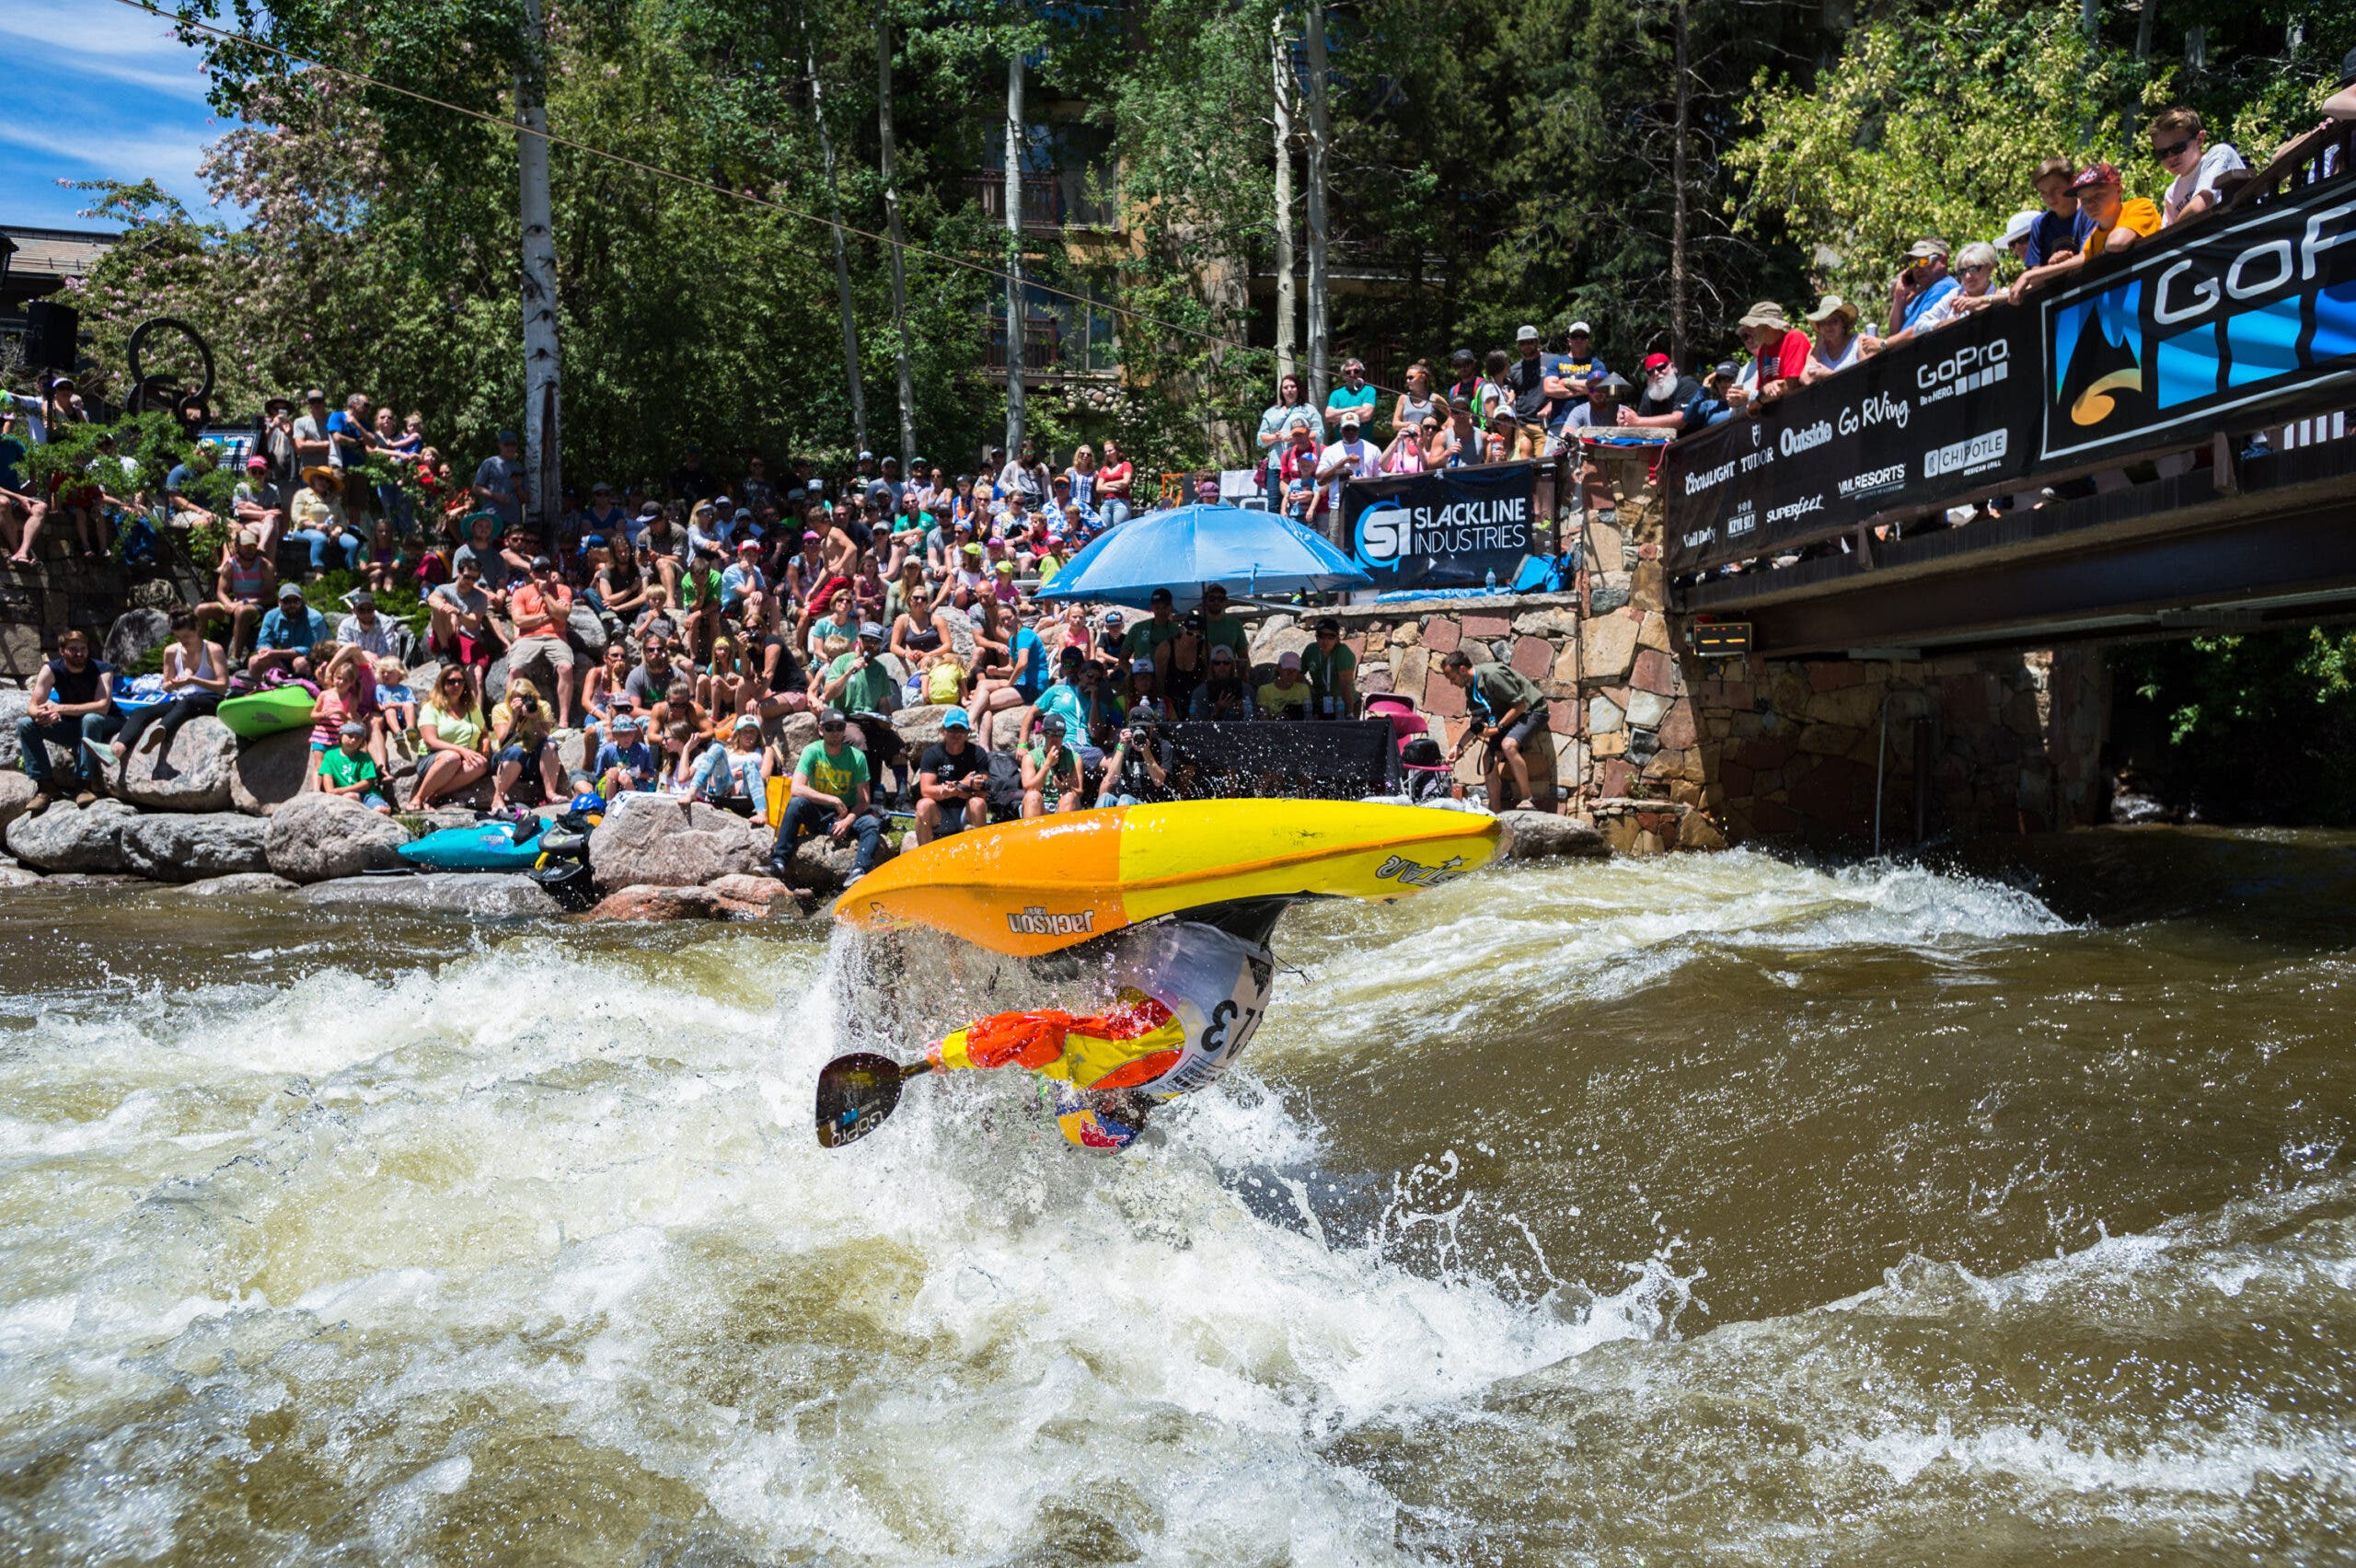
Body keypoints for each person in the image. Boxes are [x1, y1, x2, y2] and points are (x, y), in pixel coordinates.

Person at [917, 907, 1280, 1150]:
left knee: (1104, 989)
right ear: (1107, 1099)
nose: (1082, 1087)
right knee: (1045, 964)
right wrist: (953, 1052)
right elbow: (1032, 1035)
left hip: (1254, 941)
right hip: (1206, 921)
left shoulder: (1171, 1088)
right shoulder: (1113, 1070)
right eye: (1086, 1094)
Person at [2010, 163, 2160, 301]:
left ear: (2119, 190)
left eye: (2098, 195)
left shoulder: (2140, 206)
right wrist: (2030, 274)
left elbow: (2117, 242)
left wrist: (2095, 256)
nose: (2090, 204)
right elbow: (2082, 258)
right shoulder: (2095, 237)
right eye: (2084, 199)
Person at [111, 608, 227, 775]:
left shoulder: (213, 650)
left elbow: (223, 685)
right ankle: (117, 749)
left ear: (197, 628)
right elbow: (166, 685)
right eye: (178, 637)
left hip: (209, 699)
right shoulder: (172, 651)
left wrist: (193, 680)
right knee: (142, 712)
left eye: (186, 637)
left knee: (187, 703)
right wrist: (173, 684)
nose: (182, 641)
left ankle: (161, 730)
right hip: (181, 698)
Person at [774, 709, 884, 882]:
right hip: (819, 812)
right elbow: (796, 788)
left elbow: (864, 801)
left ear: (844, 730)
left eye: (839, 727)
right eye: (829, 728)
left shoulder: (857, 757)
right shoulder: (811, 751)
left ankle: (858, 872)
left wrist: (847, 821)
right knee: (796, 804)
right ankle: (779, 862)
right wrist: (832, 800)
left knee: (872, 823)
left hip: (848, 813)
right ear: (820, 730)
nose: (834, 732)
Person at [1438, 647, 1550, 813]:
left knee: (1508, 745)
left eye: (1452, 678)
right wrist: (1458, 747)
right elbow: (1478, 723)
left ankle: (1527, 799)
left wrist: (1498, 727)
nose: (1451, 683)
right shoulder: (1471, 687)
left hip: (1532, 711)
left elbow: (1520, 704)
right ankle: (1495, 811)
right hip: (1506, 718)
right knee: (1488, 760)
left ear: (1462, 670)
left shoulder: (1493, 675)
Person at [17, 628, 119, 810]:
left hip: (107, 723)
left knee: (90, 719)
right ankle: (45, 787)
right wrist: (42, 715)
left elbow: (102, 706)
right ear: (62, 651)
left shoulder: (103, 669)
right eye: (73, 649)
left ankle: (83, 784)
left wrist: (61, 709)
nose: (79, 653)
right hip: (74, 728)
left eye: (83, 649)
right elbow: (32, 706)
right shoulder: (51, 669)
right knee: (26, 724)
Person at [506, 556, 578, 726]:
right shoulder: (521, 592)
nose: (543, 574)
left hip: (555, 637)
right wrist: (548, 617)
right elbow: (519, 621)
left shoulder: (562, 590)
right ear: (531, 573)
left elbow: (562, 615)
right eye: (538, 571)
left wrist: (545, 593)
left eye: (546, 570)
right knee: (514, 670)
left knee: (566, 667)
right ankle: (511, 718)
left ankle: (563, 721)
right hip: (527, 638)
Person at [2152, 107, 2245, 226]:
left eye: (2177, 148)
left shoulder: (2219, 154)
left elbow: (2199, 206)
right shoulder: (2172, 193)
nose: (2171, 157)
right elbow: (2165, 232)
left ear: (2199, 139)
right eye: (2162, 153)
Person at [915, 706, 993, 844]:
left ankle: (981, 849)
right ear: (943, 731)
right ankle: (924, 854)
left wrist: (956, 791)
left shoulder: (977, 754)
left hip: (966, 814)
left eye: (961, 730)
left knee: (978, 803)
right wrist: (962, 786)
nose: (956, 734)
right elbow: (926, 790)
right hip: (941, 815)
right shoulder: (932, 754)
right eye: (952, 729)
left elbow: (982, 793)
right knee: (923, 805)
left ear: (967, 732)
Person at [415, 667, 491, 807]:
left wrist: (485, 742)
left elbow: (484, 731)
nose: (456, 685)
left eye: (460, 681)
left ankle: (435, 795)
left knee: (480, 763)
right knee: (452, 757)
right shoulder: (431, 708)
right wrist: (462, 750)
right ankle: (418, 797)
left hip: (463, 758)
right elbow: (430, 741)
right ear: (442, 685)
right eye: (451, 682)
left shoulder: (472, 707)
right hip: (434, 758)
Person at [488, 676, 566, 812]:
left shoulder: (542, 707)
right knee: (516, 751)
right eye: (515, 698)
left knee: (551, 744)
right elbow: (502, 741)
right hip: (507, 758)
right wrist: (513, 716)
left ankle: (550, 793)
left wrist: (534, 719)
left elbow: (545, 738)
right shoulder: (499, 709)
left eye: (524, 698)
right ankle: (498, 798)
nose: (520, 702)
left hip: (532, 759)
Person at [201, 528, 275, 658]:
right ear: (237, 547)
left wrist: (243, 603)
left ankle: (235, 657)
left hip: (255, 609)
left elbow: (270, 597)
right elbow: (221, 591)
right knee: (202, 609)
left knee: (242, 611)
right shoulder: (230, 565)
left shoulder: (265, 566)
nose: (250, 550)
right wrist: (228, 604)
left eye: (253, 546)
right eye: (246, 546)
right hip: (234, 607)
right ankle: (195, 651)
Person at [1727, 302, 1812, 412]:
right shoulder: (1764, 350)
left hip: (1803, 412)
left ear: (1768, 326)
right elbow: (1761, 391)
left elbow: (1791, 386)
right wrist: (1763, 394)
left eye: (1753, 325)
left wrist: (1760, 399)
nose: (1749, 331)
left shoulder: (1794, 338)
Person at [689, 713, 771, 820]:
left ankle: (761, 814)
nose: (749, 735)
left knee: (750, 765)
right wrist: (733, 775)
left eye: (752, 731)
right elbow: (714, 781)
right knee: (716, 748)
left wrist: (742, 779)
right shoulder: (728, 750)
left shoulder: (765, 750)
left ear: (758, 735)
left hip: (749, 787)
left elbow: (764, 775)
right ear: (738, 733)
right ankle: (691, 791)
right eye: (745, 731)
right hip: (726, 787)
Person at [287, 466, 364, 575]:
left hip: (332, 532)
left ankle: (350, 573)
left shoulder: (334, 499)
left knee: (353, 543)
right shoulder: (302, 494)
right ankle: (319, 574)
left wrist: (337, 531)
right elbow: (296, 517)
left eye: (327, 481)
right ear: (313, 479)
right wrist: (315, 526)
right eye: (320, 478)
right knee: (320, 538)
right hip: (304, 530)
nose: (324, 482)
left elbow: (342, 521)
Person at [251, 582, 331, 678]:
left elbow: (310, 649)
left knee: (300, 662)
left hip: (314, 661)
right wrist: (264, 650)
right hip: (285, 661)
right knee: (254, 661)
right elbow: (263, 641)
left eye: (296, 600)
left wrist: (274, 653)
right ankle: (257, 690)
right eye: (286, 601)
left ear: (302, 601)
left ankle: (306, 689)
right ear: (279, 602)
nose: (291, 605)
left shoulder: (315, 618)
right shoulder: (271, 616)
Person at [1255, 372, 1324, 483]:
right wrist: (1275, 437)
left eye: (1293, 386)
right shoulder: (1270, 412)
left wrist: (1295, 437)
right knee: (1275, 501)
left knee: (1300, 499)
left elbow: (1319, 433)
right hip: (1275, 466)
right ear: (1281, 391)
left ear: (1298, 389)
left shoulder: (1308, 409)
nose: (1289, 390)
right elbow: (1260, 439)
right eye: (1285, 387)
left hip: (1301, 465)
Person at [1098, 707, 1172, 808]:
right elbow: (1111, 779)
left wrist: (1146, 751)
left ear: (1153, 727)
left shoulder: (1163, 745)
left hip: (1150, 805)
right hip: (1124, 803)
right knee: (1105, 798)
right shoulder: (1122, 745)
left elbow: (1159, 781)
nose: (1140, 732)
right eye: (1136, 728)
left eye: (1144, 727)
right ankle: (1096, 823)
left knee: (1125, 799)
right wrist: (1121, 746)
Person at [314, 720, 392, 813]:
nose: (354, 740)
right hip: (345, 795)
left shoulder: (365, 758)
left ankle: (376, 809)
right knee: (349, 797)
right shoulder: (329, 756)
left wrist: (342, 790)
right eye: (350, 736)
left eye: (358, 738)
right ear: (340, 736)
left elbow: (367, 783)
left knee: (379, 809)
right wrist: (331, 792)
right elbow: (327, 776)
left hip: (367, 794)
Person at [823, 622, 899, 716]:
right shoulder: (841, 661)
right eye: (867, 639)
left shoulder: (880, 669)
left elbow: (883, 702)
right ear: (859, 638)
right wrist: (849, 672)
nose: (871, 644)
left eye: (876, 641)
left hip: (870, 719)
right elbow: (827, 695)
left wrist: (886, 722)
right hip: (846, 719)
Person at [2023, 156, 2085, 271]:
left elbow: (2088, 257)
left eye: (2055, 189)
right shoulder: (2040, 224)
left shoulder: (2089, 212)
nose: (2050, 198)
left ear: (2073, 181)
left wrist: (2058, 265)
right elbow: (2035, 273)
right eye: (2043, 193)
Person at [1314, 415, 1380, 520]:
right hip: (1339, 505)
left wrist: (1365, 481)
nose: (1350, 432)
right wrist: (1344, 461)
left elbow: (1379, 479)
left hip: (1366, 504)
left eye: (1354, 428)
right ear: (1340, 429)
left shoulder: (1372, 450)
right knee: (1336, 536)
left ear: (1359, 429)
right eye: (1347, 428)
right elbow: (1320, 480)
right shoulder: (1330, 451)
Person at [1021, 711, 1084, 817]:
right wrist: (1047, 765)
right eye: (1050, 733)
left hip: (1063, 806)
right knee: (1033, 796)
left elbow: (1079, 792)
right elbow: (1029, 789)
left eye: (1059, 733)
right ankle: (1032, 832)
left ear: (1064, 735)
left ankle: (1064, 833)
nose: (1055, 738)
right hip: (1039, 807)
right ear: (1043, 733)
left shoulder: (1074, 758)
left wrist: (1065, 787)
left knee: (1069, 797)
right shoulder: (1030, 757)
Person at [1622, 354, 1702, 432]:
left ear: (1672, 367)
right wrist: (1626, 422)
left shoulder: (1687, 384)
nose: (1656, 373)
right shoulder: (1648, 394)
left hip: (1693, 442)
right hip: (1662, 444)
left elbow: (1680, 421)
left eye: (1661, 367)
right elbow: (1641, 424)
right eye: (1650, 372)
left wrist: (1637, 421)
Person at [1300, 617, 1357, 719]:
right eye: (1322, 635)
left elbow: (1345, 686)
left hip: (1343, 704)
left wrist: (1349, 714)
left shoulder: (1343, 653)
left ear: (1337, 639)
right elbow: (1298, 675)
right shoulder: (1310, 650)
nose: (1325, 640)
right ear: (1316, 636)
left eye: (1330, 636)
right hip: (1320, 705)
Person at [593, 711, 660, 797]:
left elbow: (649, 774)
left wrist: (637, 774)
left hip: (637, 785)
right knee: (613, 773)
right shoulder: (607, 750)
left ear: (634, 734)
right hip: (611, 783)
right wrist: (614, 772)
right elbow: (599, 774)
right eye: (622, 734)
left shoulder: (643, 749)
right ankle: (610, 804)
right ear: (614, 735)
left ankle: (634, 804)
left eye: (630, 734)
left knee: (624, 778)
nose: (627, 738)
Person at [1800, 296, 1865, 383]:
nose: (1828, 327)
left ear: (1844, 323)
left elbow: (1865, 380)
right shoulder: (1816, 353)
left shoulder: (1859, 342)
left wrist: (1829, 375)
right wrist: (1817, 347)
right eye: (1823, 323)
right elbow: (1805, 380)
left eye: (1833, 321)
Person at [472, 430, 525, 532]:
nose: (510, 447)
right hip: (491, 519)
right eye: (507, 444)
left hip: (513, 522)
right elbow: (476, 488)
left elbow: (525, 499)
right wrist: (494, 495)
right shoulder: (490, 463)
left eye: (513, 444)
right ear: (499, 445)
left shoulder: (520, 469)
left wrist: (518, 487)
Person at [1188, 644, 1255, 720]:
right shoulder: (1200, 693)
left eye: (1226, 662)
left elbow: (1254, 724)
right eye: (1217, 663)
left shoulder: (1246, 690)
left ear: (1232, 665)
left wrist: (1243, 713)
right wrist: (1216, 712)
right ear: (1211, 666)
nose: (1222, 666)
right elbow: (1196, 727)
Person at [1324, 356, 1380, 433]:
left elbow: (1366, 415)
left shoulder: (1369, 390)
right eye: (1348, 372)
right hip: (1340, 443)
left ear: (1362, 372)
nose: (1352, 374)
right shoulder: (1336, 394)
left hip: (1363, 442)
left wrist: (1338, 419)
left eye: (1356, 371)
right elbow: (1329, 416)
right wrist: (1354, 409)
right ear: (1343, 375)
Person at [1254, 649, 1312, 720]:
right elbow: (1263, 719)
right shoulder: (1264, 690)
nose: (1290, 674)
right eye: (1287, 669)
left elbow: (1308, 715)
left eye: (1294, 671)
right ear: (1279, 668)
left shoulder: (1303, 689)